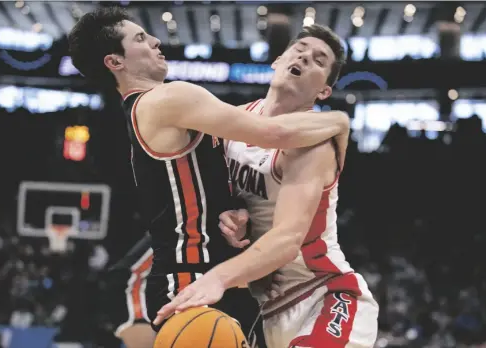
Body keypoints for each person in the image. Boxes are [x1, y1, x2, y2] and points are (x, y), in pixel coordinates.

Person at [68, 7, 350, 348]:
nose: (156, 40)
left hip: (211, 275)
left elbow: (206, 187)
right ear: (115, 62)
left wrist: (234, 213)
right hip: (191, 276)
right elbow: (272, 133)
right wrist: (339, 123)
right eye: (140, 38)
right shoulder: (169, 98)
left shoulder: (149, 107)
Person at [154, 25, 379, 348]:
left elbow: (288, 239)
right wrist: (229, 216)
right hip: (263, 308)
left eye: (319, 60)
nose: (305, 55)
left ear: (324, 92)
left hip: (321, 293)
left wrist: (218, 277)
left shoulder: (313, 144)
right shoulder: (234, 121)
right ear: (277, 61)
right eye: (300, 47)